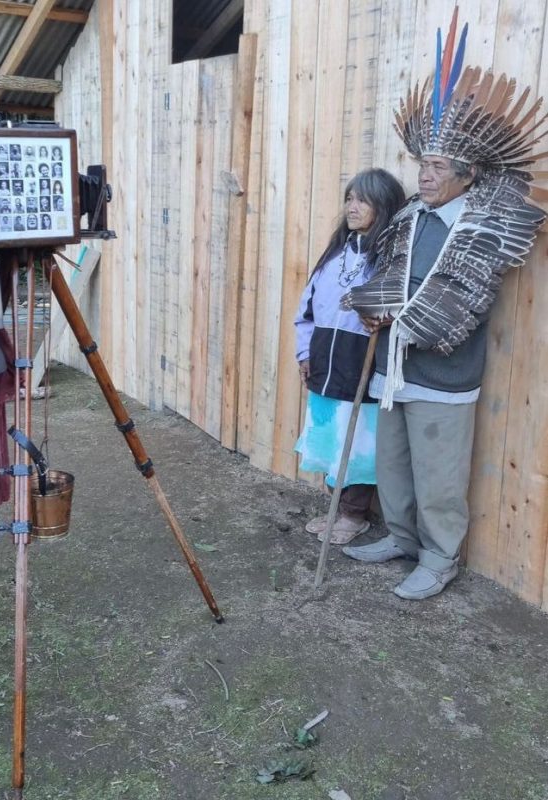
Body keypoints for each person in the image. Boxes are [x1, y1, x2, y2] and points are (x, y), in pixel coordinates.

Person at [341, 14, 547, 600]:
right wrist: (375, 309)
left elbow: (468, 300)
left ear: (467, 174)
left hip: (443, 374)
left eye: (435, 169)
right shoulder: (409, 218)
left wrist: (406, 322)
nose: (424, 177)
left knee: (438, 476)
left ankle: (438, 558)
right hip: (393, 368)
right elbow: (386, 276)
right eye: (422, 166)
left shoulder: (485, 226)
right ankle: (402, 539)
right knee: (395, 467)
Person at [295, 169, 405, 545]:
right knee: (329, 435)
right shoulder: (335, 256)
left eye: (362, 200)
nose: (352, 207)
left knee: (357, 437)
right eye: (349, 198)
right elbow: (306, 311)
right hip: (325, 358)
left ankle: (354, 514)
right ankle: (336, 507)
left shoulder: (389, 262)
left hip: (363, 360)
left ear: (384, 206)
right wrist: (304, 352)